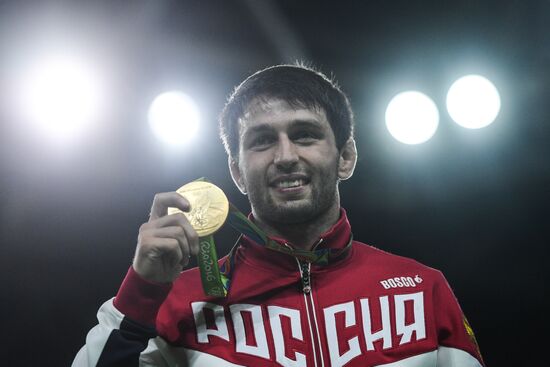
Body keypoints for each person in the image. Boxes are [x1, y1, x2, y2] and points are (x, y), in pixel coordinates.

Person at [73, 64, 484, 367]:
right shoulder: (178, 305)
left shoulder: (421, 292)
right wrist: (142, 293)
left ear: (346, 156)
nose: (286, 156)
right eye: (263, 141)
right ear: (236, 171)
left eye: (305, 134)